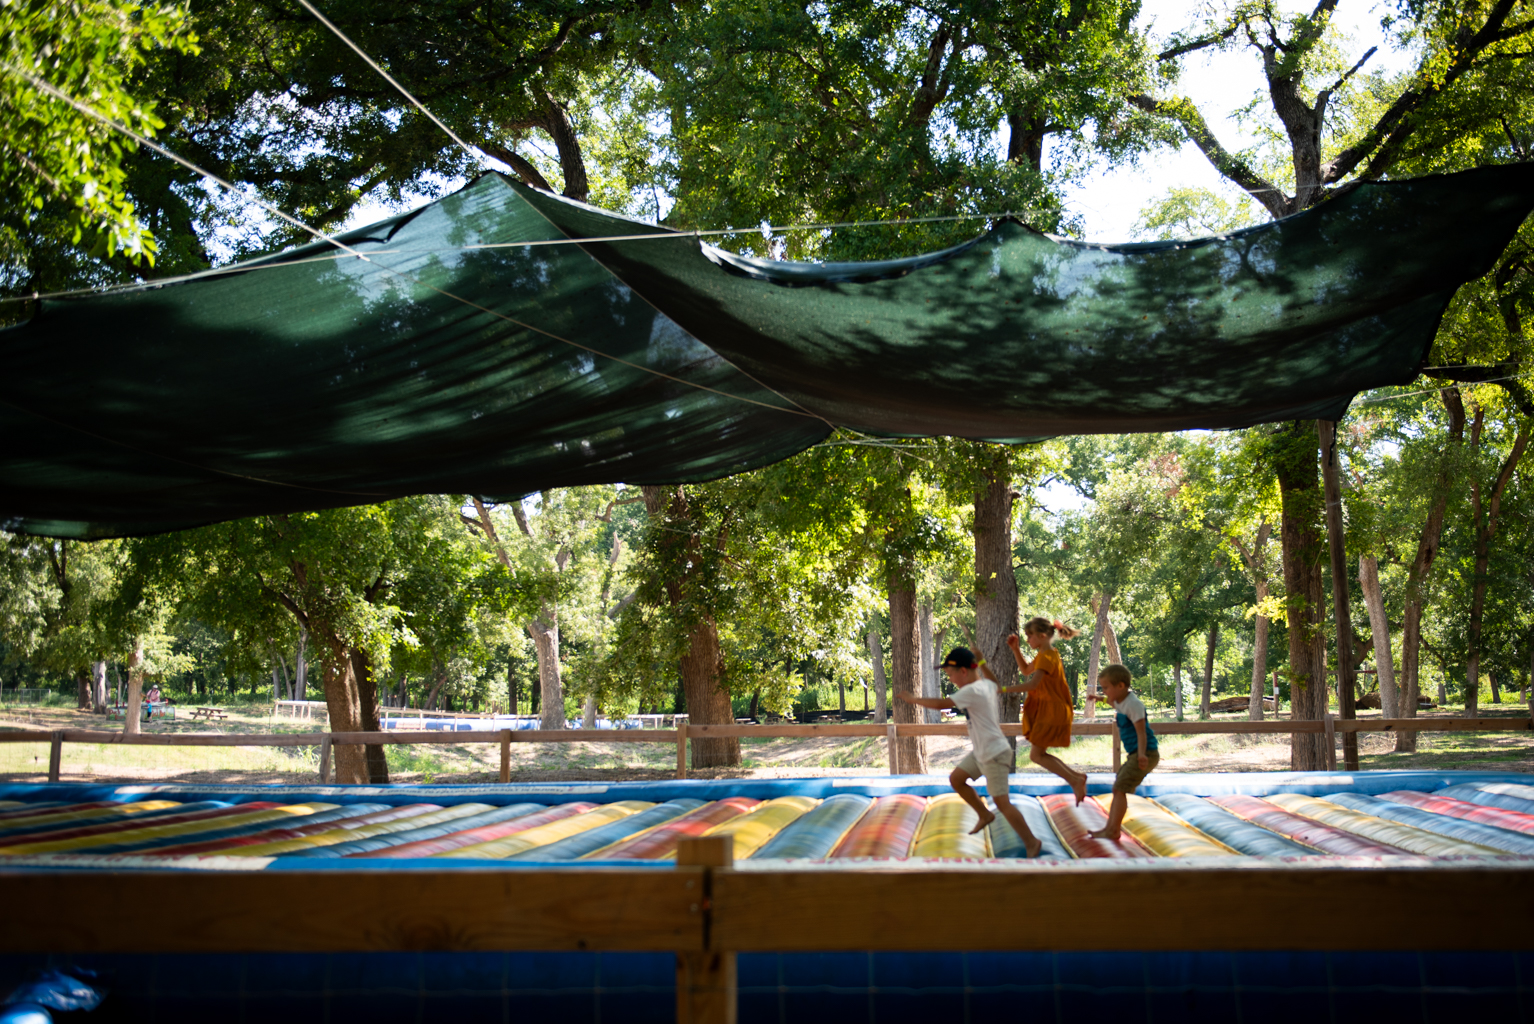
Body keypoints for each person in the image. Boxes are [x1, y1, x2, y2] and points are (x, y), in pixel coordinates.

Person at [897, 647, 1043, 858]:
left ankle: (1032, 842)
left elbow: (942, 704)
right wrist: (982, 663)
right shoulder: (985, 685)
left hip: (994, 753)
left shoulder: (972, 691)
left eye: (951, 675)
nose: (951, 680)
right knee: (957, 779)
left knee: (1002, 803)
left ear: (964, 671)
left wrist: (914, 700)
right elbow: (995, 683)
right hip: (983, 751)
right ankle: (984, 814)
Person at [1003, 617, 1088, 805]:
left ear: (1042, 636)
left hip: (1052, 710)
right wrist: (1015, 650)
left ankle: (1075, 779)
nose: (1027, 640)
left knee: (1036, 755)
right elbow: (1026, 670)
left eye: (1029, 636)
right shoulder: (1046, 654)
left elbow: (1032, 684)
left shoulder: (1048, 656)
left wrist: (1003, 689)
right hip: (1049, 709)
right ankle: (1076, 778)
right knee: (1038, 755)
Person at [1088, 663, 1159, 840]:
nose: (1104, 692)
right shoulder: (1121, 701)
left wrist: (1141, 754)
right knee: (1118, 788)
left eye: (1106, 688)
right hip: (1136, 754)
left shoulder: (1133, 705)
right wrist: (1097, 698)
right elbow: (1111, 702)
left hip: (1145, 753)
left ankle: (1112, 830)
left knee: (1119, 789)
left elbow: (1141, 732)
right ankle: (1111, 829)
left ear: (1120, 686)